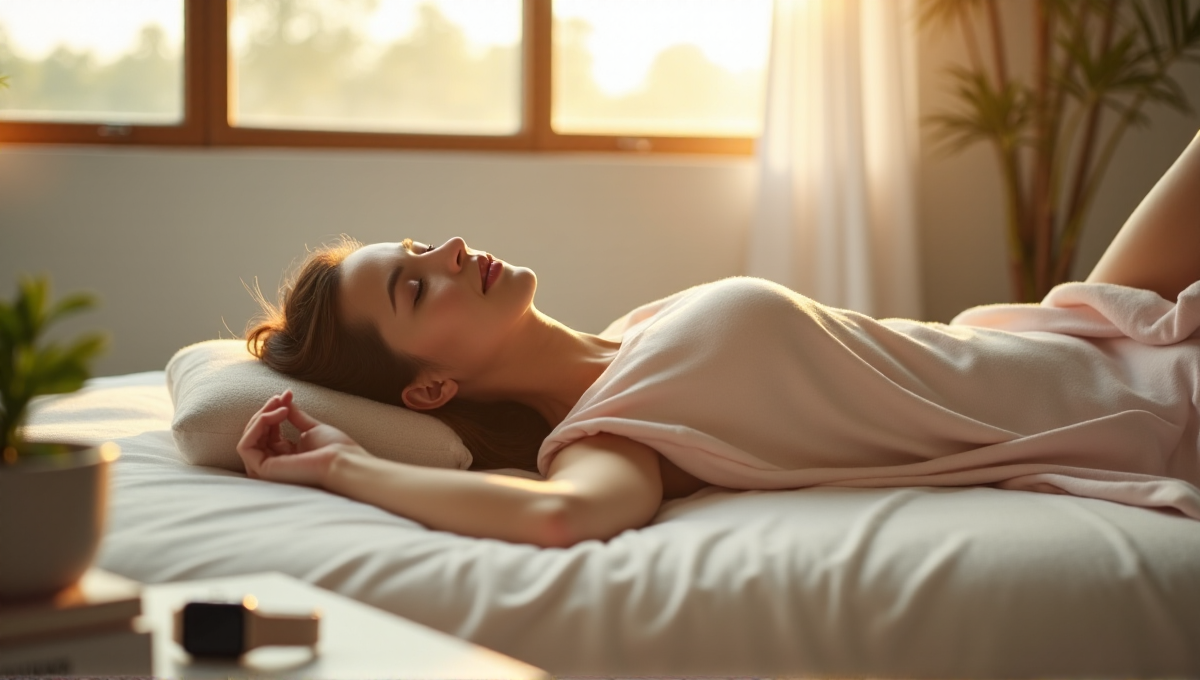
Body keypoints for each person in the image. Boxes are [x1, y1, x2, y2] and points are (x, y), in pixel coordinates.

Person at [239, 132, 1200, 548]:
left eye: (420, 245)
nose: (448, 248)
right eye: (416, 283)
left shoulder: (632, 336)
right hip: (1132, 408)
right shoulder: (606, 433)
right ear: (430, 390)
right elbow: (557, 520)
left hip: (1073, 331)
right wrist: (341, 469)